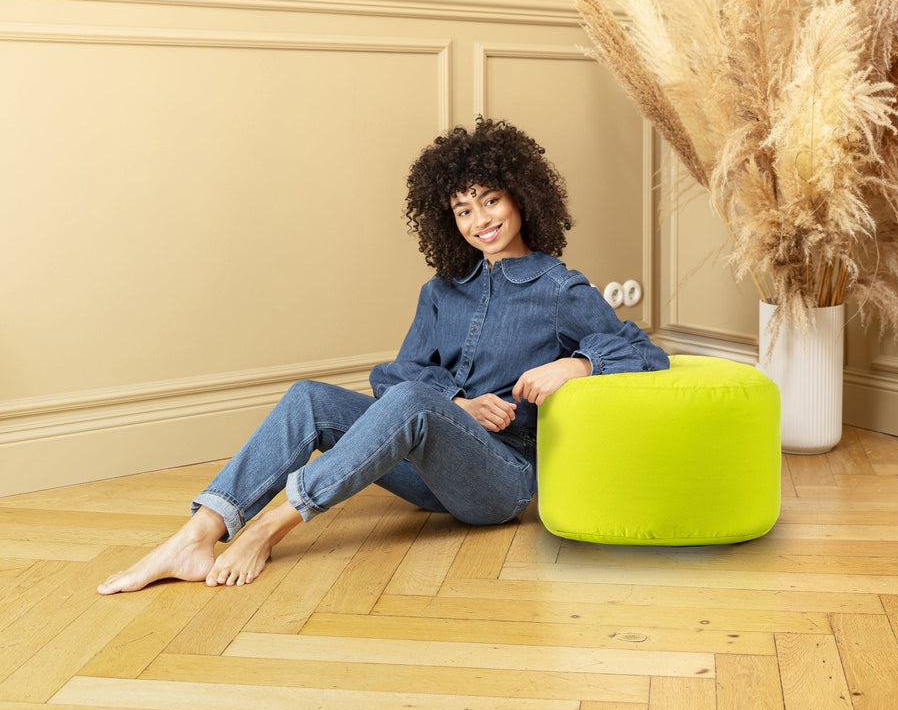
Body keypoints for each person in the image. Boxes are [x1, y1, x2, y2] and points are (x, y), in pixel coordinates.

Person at [98, 119, 669, 594]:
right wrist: (458, 405)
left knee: (416, 400)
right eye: (463, 210)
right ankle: (198, 535)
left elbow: (646, 352)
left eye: (490, 200)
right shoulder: (442, 292)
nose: (480, 221)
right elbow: (394, 377)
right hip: (427, 474)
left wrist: (573, 365)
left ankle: (270, 527)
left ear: (521, 196)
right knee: (309, 398)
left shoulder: (560, 288)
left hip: (501, 482)